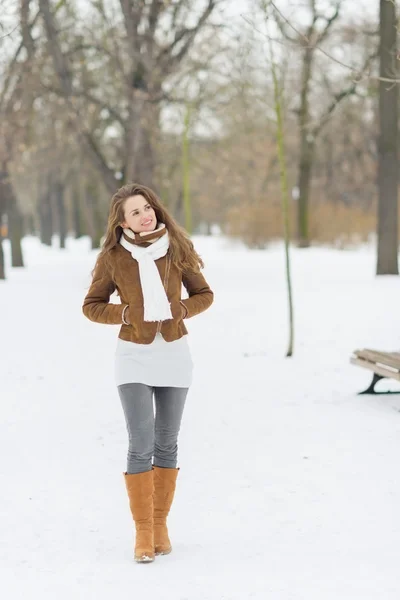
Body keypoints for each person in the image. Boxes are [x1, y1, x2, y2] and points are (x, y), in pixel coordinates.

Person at [82, 183, 214, 563]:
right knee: (140, 443)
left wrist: (182, 310)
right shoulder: (113, 257)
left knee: (166, 443)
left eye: (148, 207)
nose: (146, 214)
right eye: (136, 212)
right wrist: (124, 314)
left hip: (174, 355)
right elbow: (91, 305)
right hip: (133, 357)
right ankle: (142, 533)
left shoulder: (176, 249)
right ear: (123, 224)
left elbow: (204, 294)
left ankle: (159, 524)